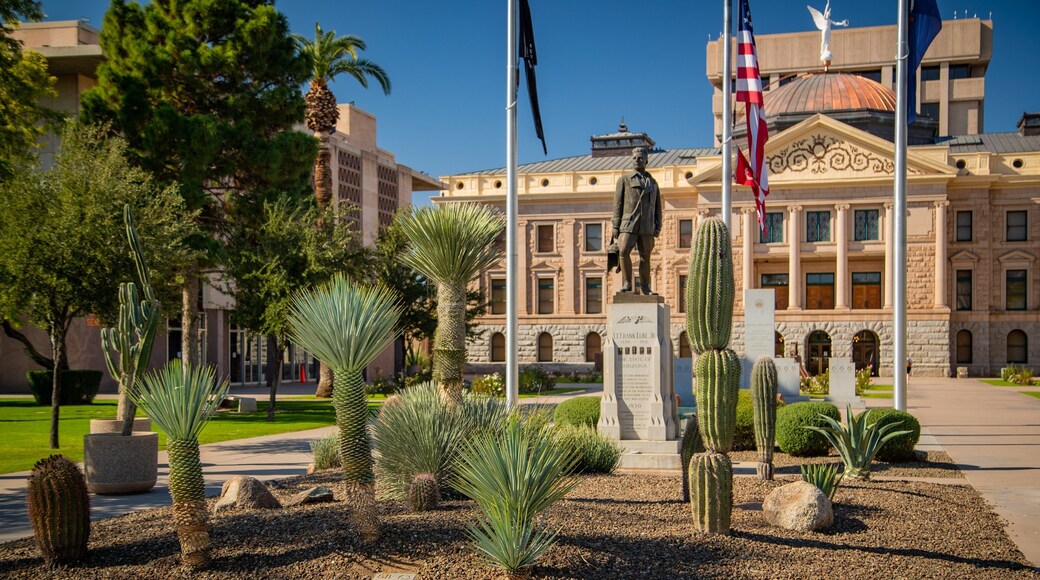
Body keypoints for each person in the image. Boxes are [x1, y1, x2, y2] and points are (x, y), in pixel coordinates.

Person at [611, 147, 662, 294]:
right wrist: (616, 225)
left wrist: (658, 225)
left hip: (647, 225)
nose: (637, 160)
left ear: (646, 160)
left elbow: (658, 206)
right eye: (634, 158)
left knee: (645, 256)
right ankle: (627, 282)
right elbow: (618, 204)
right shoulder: (624, 180)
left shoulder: (653, 183)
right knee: (623, 250)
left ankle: (645, 286)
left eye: (640, 158)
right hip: (629, 224)